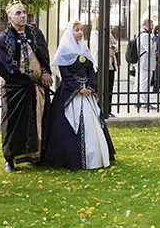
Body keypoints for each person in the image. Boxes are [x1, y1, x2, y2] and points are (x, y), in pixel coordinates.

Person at [42, 21, 115, 169]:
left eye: (81, 30)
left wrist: (90, 86)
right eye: (76, 30)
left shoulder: (84, 50)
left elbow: (91, 72)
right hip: (70, 93)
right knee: (68, 125)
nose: (80, 33)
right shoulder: (64, 51)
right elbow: (65, 75)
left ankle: (95, 157)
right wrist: (78, 88)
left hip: (87, 93)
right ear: (70, 33)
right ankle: (71, 158)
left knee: (94, 122)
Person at [0, 1, 52, 172]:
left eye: (24, 12)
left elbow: (44, 54)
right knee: (13, 122)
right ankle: (10, 158)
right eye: (18, 13)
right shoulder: (3, 38)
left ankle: (36, 154)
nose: (23, 16)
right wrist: (22, 79)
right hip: (15, 88)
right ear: (10, 16)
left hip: (36, 86)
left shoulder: (34, 32)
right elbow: (3, 65)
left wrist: (46, 72)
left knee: (37, 119)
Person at [135, 19, 156, 110]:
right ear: (146, 25)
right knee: (144, 83)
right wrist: (155, 43)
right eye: (151, 25)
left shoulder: (139, 34)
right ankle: (144, 102)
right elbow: (150, 49)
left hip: (142, 62)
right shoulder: (145, 35)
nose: (152, 27)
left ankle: (137, 100)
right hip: (145, 63)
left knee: (139, 82)